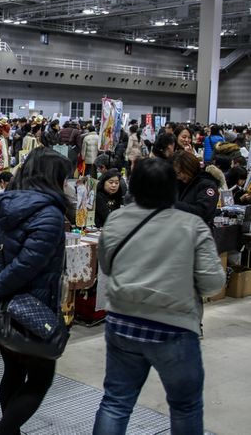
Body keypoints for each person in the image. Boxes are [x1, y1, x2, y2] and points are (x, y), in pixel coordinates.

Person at [93, 158, 225, 435]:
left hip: (122, 322)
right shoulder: (192, 225)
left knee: (116, 403)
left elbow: (106, 266)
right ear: (172, 187)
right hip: (174, 328)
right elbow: (213, 283)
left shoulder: (116, 219)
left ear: (135, 186)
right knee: (185, 407)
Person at [0, 148, 71, 435]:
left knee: (13, 370)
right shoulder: (50, 214)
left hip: (1, 306)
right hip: (31, 309)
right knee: (41, 378)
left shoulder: (4, 204)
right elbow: (27, 265)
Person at [173, 149, 219, 226]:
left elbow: (202, 212)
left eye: (179, 173)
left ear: (189, 168)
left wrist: (173, 204)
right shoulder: (179, 184)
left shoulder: (207, 185)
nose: (178, 177)